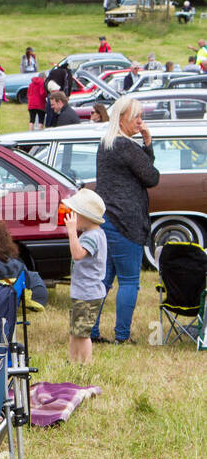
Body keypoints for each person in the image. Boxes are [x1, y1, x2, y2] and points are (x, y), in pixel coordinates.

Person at [91, 94, 159, 345]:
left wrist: (144, 143)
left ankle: (91, 331)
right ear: (121, 119)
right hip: (126, 221)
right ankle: (122, 336)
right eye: (136, 117)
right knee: (129, 280)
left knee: (103, 280)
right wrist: (148, 142)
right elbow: (151, 177)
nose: (141, 122)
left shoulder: (106, 143)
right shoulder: (126, 146)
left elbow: (143, 171)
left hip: (106, 218)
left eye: (141, 116)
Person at [63, 190, 108, 364]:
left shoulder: (93, 236)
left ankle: (86, 364)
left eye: (75, 214)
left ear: (85, 217)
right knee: (75, 331)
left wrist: (72, 232)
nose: (72, 217)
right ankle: (73, 361)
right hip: (82, 292)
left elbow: (77, 254)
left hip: (88, 294)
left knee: (82, 334)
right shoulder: (95, 234)